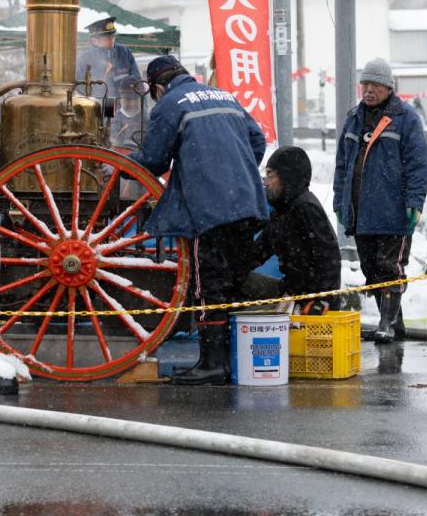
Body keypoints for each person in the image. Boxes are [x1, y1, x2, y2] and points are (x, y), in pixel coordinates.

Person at [128, 55, 269, 385]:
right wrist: (233, 170)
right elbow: (257, 142)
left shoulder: (170, 103)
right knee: (231, 278)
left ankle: (212, 365)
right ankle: (228, 360)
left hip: (209, 206)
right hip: (246, 203)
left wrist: (121, 161)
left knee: (207, 283)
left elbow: (153, 161)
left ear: (158, 87)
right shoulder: (223, 95)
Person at [332, 58, 427, 344]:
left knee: (390, 268)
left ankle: (386, 323)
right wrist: (340, 199)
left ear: (388, 88)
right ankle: (395, 324)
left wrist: (415, 202)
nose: (369, 90)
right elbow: (342, 163)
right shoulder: (353, 117)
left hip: (392, 212)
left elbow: (417, 165)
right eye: (365, 84)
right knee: (371, 270)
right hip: (361, 213)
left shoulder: (406, 118)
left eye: (375, 84)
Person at [259, 146, 341, 315]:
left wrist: (322, 300)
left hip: (312, 299)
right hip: (291, 291)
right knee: (240, 282)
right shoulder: (280, 212)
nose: (266, 183)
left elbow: (329, 258)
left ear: (287, 177)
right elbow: (258, 251)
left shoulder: (306, 208)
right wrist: (230, 270)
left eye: (271, 176)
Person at [75, 16, 138, 98]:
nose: (112, 40)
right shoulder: (84, 59)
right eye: (106, 38)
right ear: (94, 40)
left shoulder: (124, 53)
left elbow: (137, 82)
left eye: (113, 37)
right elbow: (80, 89)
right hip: (97, 106)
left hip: (124, 106)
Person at [109, 74, 145, 151]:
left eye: (135, 99)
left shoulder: (148, 120)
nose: (132, 103)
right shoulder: (111, 119)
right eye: (128, 99)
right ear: (121, 98)